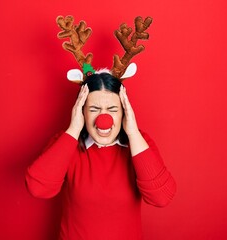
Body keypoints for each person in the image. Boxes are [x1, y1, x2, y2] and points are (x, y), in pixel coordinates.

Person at [25, 72, 177, 240]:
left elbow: (161, 198)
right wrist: (74, 129)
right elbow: (38, 189)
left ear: (124, 113)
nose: (103, 119)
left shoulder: (139, 143)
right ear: (81, 113)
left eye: (113, 109)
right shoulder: (66, 142)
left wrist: (133, 132)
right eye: (93, 109)